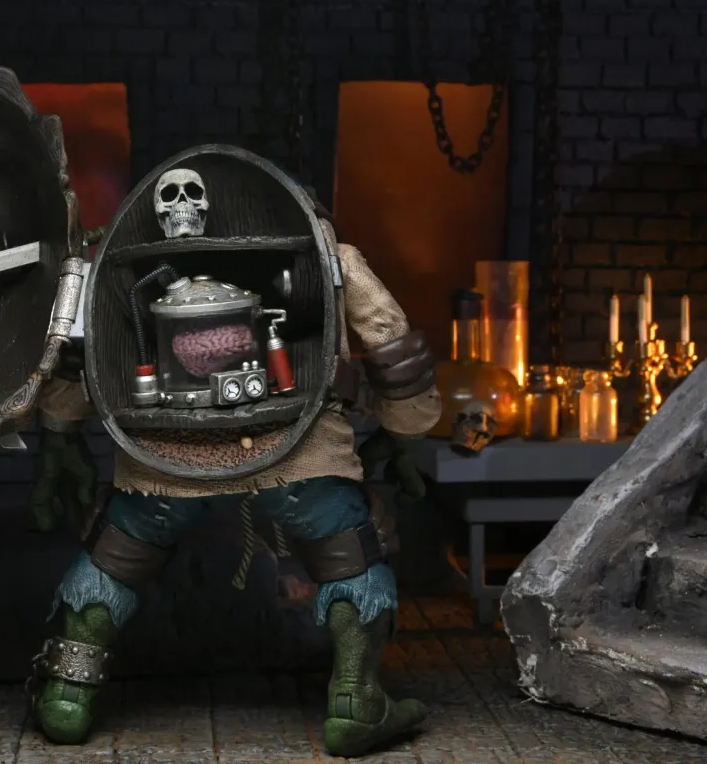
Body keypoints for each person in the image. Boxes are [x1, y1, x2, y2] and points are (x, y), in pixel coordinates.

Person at [27, 199, 441, 758]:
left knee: (112, 560)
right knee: (352, 556)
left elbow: (80, 352)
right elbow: (393, 341)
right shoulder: (332, 256)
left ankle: (66, 695)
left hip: (166, 458)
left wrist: (59, 431)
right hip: (296, 456)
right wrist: (408, 428)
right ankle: (357, 702)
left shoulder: (115, 261)